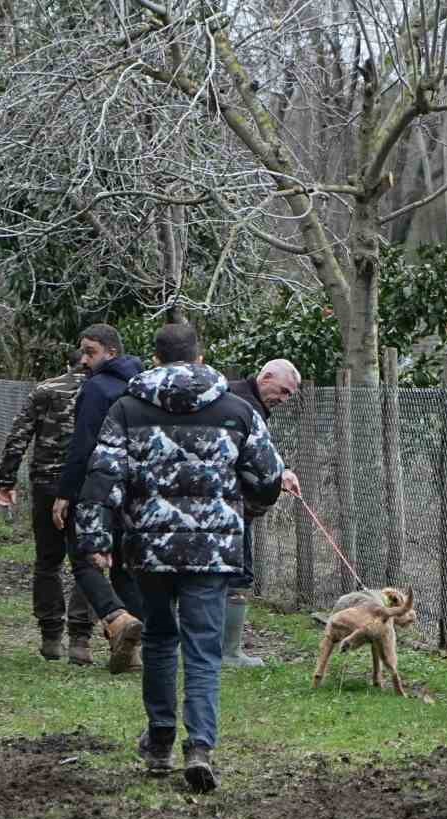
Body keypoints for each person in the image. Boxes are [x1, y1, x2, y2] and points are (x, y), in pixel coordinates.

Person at [75, 323, 284, 792]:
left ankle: (161, 741)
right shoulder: (237, 410)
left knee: (160, 641)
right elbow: (269, 476)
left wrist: (95, 542)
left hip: (148, 548)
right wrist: (246, 509)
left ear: (154, 358)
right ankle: (201, 746)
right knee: (204, 647)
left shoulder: (127, 408)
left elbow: (101, 477)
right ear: (200, 358)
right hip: (212, 549)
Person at [52, 324, 147, 674]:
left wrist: (66, 493)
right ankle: (137, 651)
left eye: (90, 352)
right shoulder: (142, 384)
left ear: (112, 352)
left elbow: (84, 445)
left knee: (82, 558)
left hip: (97, 486)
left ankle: (117, 618)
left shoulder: (97, 389)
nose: (83, 360)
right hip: (136, 490)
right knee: (124, 568)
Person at [0, 349, 95, 664]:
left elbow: (19, 436)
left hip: (48, 483)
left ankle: (51, 634)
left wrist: (6, 479)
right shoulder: (107, 391)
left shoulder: (46, 390)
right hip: (90, 484)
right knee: (87, 561)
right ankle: (81, 637)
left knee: (48, 560)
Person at [222, 359, 304, 667]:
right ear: (265, 377)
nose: (283, 400)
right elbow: (248, 457)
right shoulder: (243, 405)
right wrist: (275, 475)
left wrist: (281, 469)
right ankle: (228, 653)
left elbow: (258, 450)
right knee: (238, 575)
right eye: (282, 391)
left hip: (223, 504)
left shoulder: (239, 398)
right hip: (231, 506)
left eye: (288, 396)